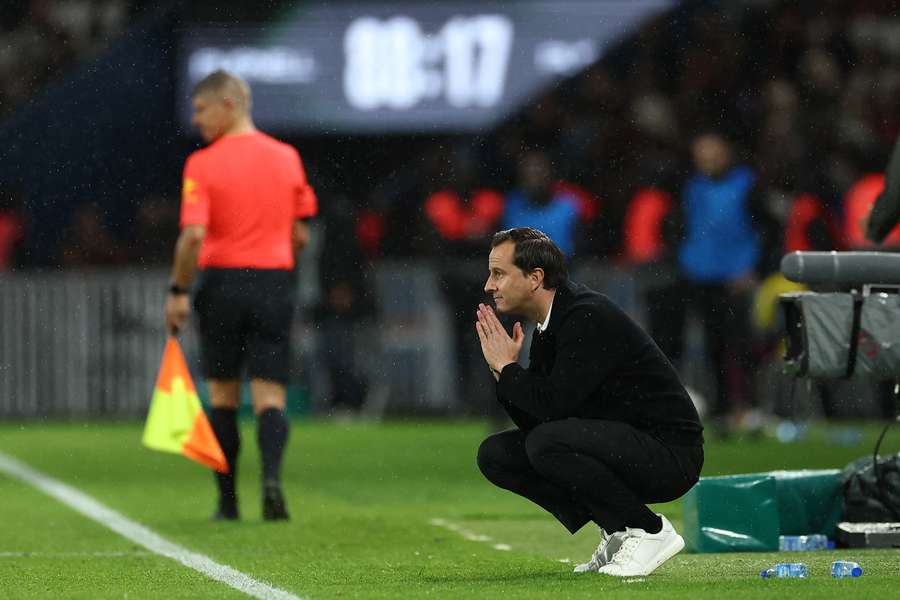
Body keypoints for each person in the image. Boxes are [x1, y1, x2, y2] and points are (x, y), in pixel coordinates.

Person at [475, 227, 704, 577]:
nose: (488, 286)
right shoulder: (550, 323)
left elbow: (553, 409)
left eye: (498, 273)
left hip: (670, 453)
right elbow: (538, 419)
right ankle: (617, 528)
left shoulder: (585, 316)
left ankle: (650, 530)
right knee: (497, 455)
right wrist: (501, 372)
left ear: (535, 278)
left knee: (546, 444)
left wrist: (509, 370)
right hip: (626, 441)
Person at [164, 70, 318, 521]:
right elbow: (301, 233)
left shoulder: (203, 164)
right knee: (271, 397)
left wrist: (177, 290)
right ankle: (271, 481)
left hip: (223, 285)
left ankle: (228, 501)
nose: (197, 120)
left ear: (228, 105)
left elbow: (192, 236)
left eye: (201, 109)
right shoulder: (287, 157)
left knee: (223, 397)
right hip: (274, 283)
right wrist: (272, 252)